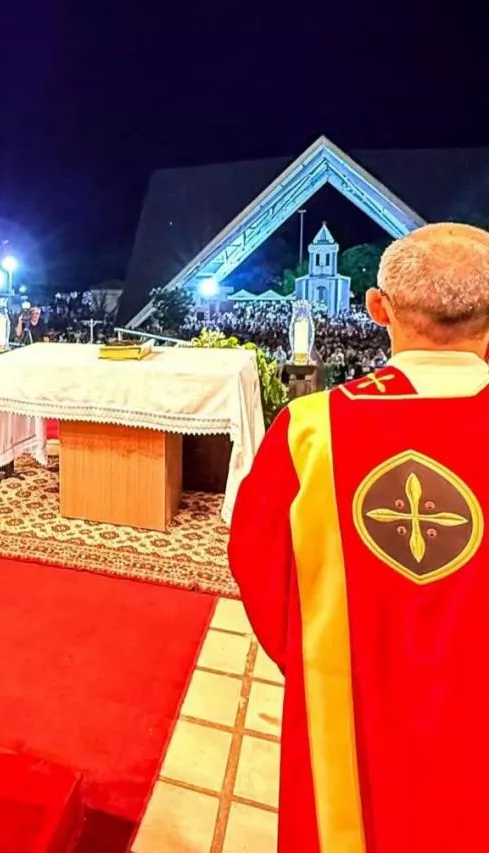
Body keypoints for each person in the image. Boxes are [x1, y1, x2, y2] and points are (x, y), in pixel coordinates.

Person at [228, 222, 489, 853]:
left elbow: (258, 565)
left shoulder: (311, 430)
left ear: (378, 308)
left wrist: (325, 664)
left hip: (355, 721)